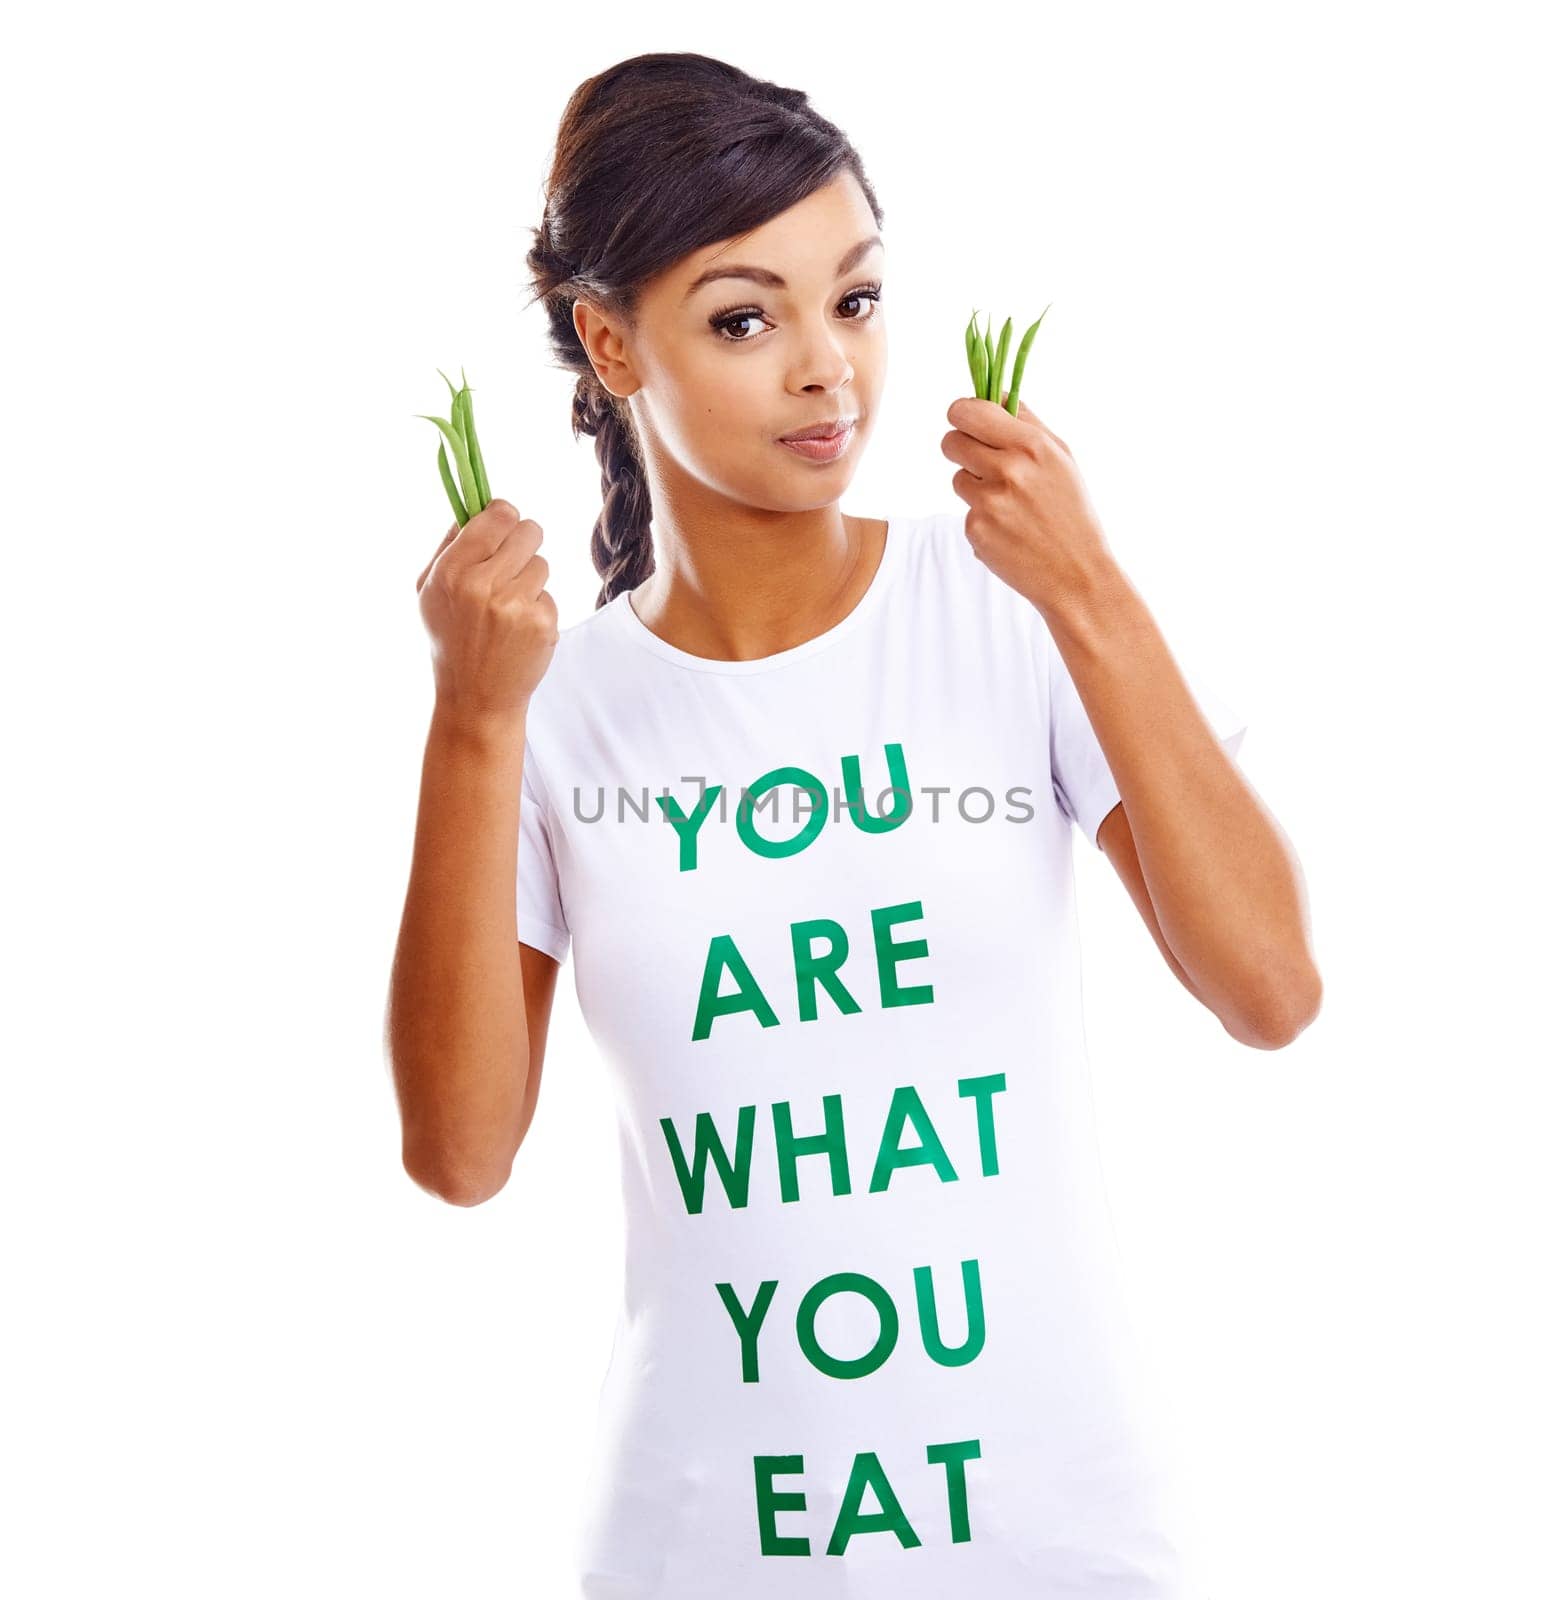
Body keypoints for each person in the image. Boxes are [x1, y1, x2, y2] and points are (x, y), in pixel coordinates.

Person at [386, 50, 1321, 1600]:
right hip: (707, 1548)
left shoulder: (1011, 608)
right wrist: (474, 721)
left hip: (1059, 1540)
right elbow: (462, 1154)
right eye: (747, 319)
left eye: (859, 298)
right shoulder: (551, 709)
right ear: (610, 344)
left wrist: (1089, 591)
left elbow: (1271, 989)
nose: (829, 368)